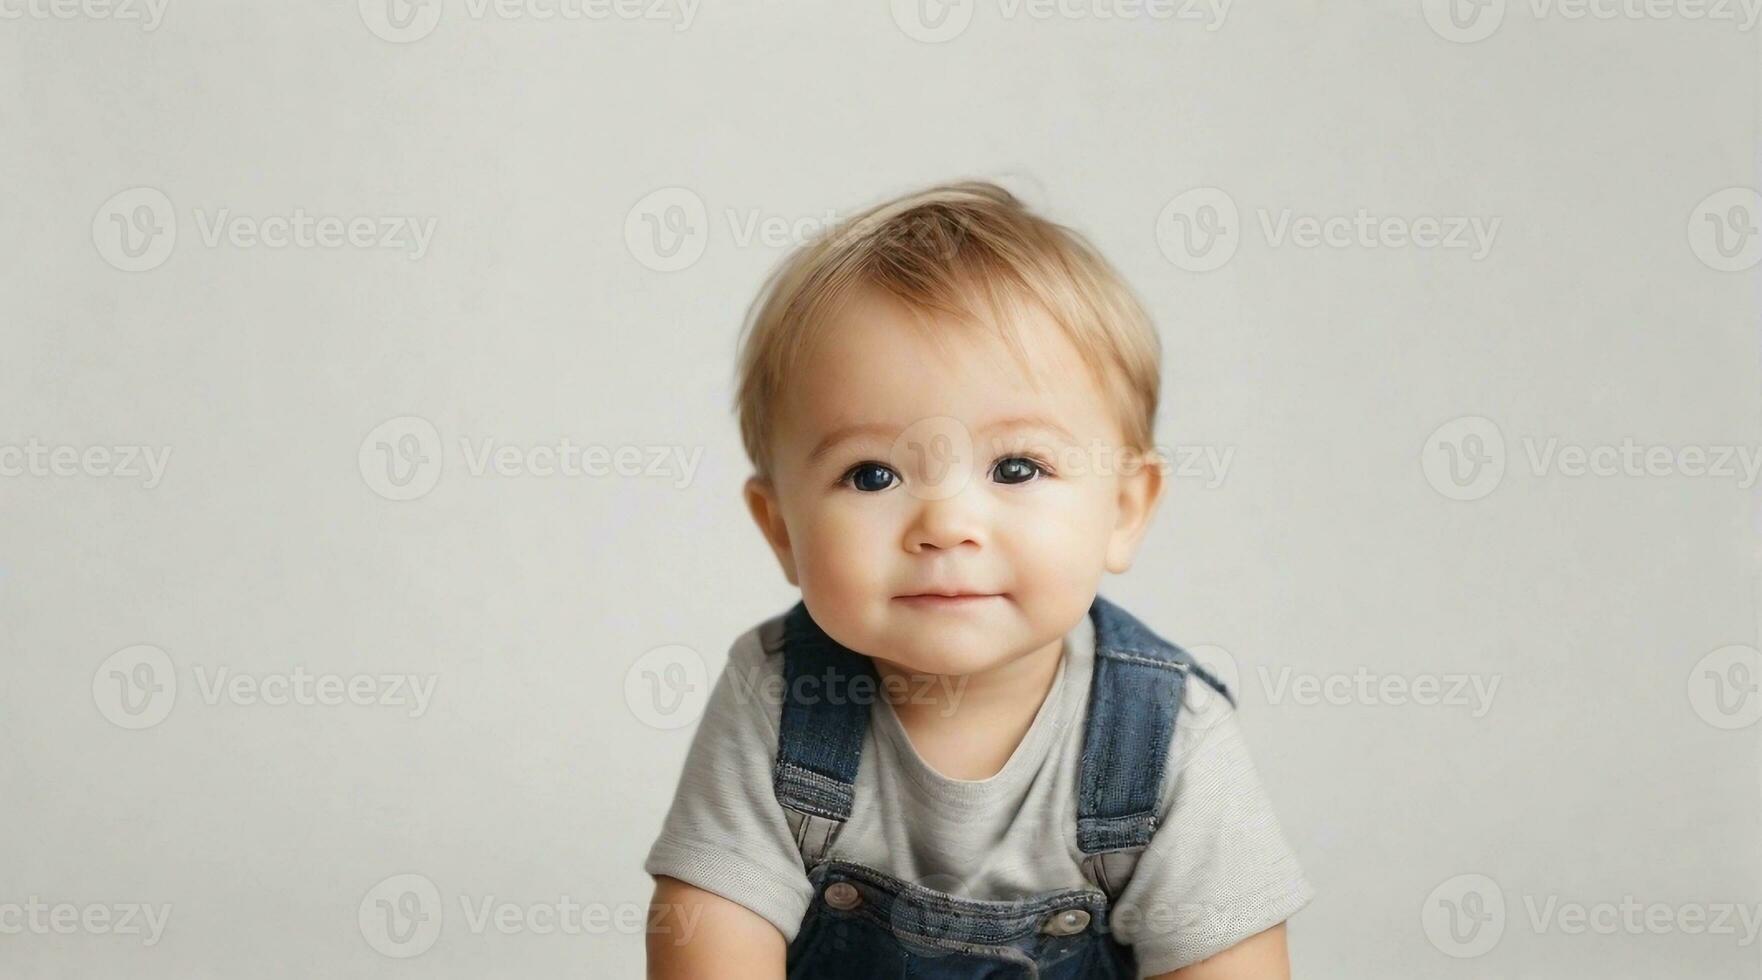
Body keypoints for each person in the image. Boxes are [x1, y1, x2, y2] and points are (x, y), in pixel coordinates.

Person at [643, 180, 1314, 978]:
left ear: (1124, 509)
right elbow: (710, 940)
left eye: (1016, 466)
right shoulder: (779, 699)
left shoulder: (1166, 734)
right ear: (782, 529)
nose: (945, 524)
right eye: (871, 476)